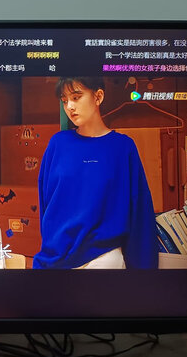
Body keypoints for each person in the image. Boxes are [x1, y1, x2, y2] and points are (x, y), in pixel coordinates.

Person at [32, 77, 158, 269]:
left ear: (98, 97)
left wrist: (144, 274)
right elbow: (45, 204)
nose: (69, 106)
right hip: (54, 257)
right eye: (64, 100)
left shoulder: (122, 147)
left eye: (76, 97)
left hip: (103, 257)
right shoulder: (58, 143)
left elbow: (140, 210)